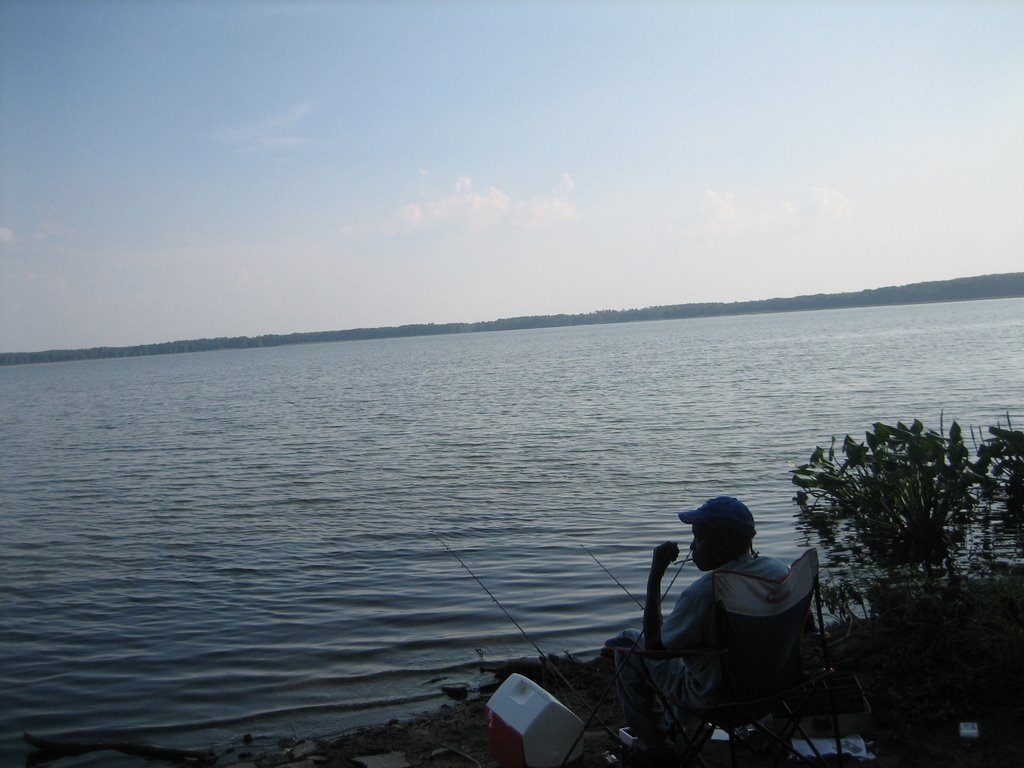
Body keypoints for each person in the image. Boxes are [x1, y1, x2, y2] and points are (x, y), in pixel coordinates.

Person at [610, 496, 789, 762]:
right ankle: (675, 728)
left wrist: (655, 575)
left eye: (699, 538)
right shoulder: (778, 571)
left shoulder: (704, 593)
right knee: (695, 647)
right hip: (773, 689)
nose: (692, 546)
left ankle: (654, 747)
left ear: (723, 542)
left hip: (718, 700)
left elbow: (655, 648)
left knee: (627, 643)